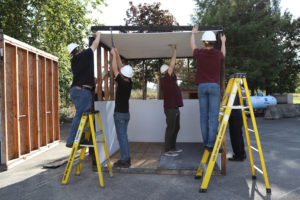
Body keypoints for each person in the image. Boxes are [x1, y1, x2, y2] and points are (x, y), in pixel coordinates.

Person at [190, 26, 226, 151]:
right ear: (214, 42)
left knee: (204, 116)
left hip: (202, 87)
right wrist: (223, 42)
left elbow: (193, 46)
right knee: (214, 116)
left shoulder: (199, 53)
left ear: (204, 42)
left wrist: (193, 34)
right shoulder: (217, 54)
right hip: (214, 87)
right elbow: (223, 54)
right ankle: (211, 144)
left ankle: (206, 143)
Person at [66, 31, 101, 148]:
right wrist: (99, 35)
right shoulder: (83, 55)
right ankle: (72, 141)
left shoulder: (74, 61)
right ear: (79, 48)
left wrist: (91, 80)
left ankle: (78, 139)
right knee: (80, 115)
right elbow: (94, 46)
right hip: (82, 91)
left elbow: (82, 73)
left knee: (81, 115)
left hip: (76, 90)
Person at [110, 47, 133, 168]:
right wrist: (117, 53)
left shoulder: (122, 82)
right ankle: (126, 158)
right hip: (126, 114)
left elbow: (115, 68)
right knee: (124, 137)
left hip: (119, 114)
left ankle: (125, 160)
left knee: (122, 138)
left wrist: (113, 55)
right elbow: (120, 66)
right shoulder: (129, 82)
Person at [160, 44, 184, 157]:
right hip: (170, 108)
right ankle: (167, 150)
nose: (173, 70)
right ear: (166, 71)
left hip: (175, 107)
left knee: (176, 127)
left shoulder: (171, 78)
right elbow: (172, 64)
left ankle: (173, 147)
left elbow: (177, 71)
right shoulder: (165, 78)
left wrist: (182, 65)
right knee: (171, 128)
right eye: (170, 70)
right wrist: (174, 51)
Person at [228, 87, 246, 161]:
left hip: (234, 114)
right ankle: (242, 153)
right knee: (239, 135)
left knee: (235, 136)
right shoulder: (242, 89)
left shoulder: (234, 89)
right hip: (240, 113)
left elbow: (232, 102)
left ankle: (239, 155)